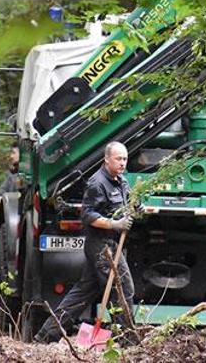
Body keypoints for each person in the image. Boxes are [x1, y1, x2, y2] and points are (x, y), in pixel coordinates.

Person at [35, 141, 136, 343]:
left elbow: (130, 203)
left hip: (113, 244)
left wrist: (136, 209)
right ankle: (127, 340)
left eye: (125, 159)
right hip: (100, 246)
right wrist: (115, 224)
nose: (123, 163)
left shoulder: (122, 182)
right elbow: (88, 216)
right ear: (107, 159)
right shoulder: (97, 183)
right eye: (118, 159)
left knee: (82, 293)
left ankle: (45, 335)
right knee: (123, 289)